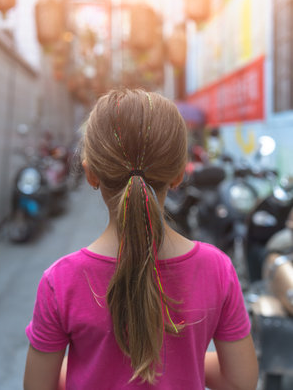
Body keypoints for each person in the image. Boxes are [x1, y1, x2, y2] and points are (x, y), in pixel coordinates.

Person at [24, 88, 258, 390]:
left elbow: (36, 385)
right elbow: (240, 380)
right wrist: (180, 362)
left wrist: (88, 364)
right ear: (177, 175)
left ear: (90, 174)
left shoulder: (61, 281)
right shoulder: (217, 269)